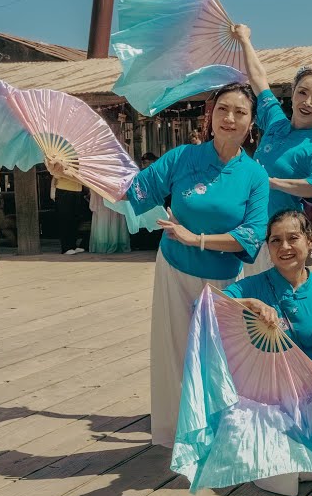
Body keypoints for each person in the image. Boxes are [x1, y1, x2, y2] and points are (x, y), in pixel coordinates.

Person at [79, 81, 268, 447]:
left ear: (251, 122)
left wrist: (194, 238)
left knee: (220, 358)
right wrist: (76, 170)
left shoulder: (254, 175)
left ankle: (222, 434)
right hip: (175, 270)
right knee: (174, 351)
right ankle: (175, 433)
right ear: (211, 115)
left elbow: (252, 234)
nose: (229, 118)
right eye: (223, 109)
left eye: (240, 112)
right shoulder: (183, 157)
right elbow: (131, 190)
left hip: (224, 280)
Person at [222, 209, 312, 496]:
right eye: (275, 241)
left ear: (310, 239)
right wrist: (248, 304)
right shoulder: (254, 285)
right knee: (284, 473)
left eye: (293, 238)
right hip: (269, 398)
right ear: (268, 247)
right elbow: (205, 307)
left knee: (309, 473)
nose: (284, 248)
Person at [233, 23, 312, 276]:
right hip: (248, 227)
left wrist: (273, 183)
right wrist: (245, 39)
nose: (308, 102)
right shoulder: (275, 122)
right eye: (303, 92)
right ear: (292, 94)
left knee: (273, 305)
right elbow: (258, 79)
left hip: (280, 237)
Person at [51, 172, 87, 255]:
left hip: (77, 189)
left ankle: (73, 245)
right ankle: (66, 247)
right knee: (65, 219)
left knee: (76, 218)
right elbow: (55, 173)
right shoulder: (59, 158)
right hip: (64, 189)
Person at [88, 189, 131, 254]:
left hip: (112, 191)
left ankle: (108, 243)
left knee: (109, 215)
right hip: (105, 191)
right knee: (107, 215)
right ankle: (108, 242)